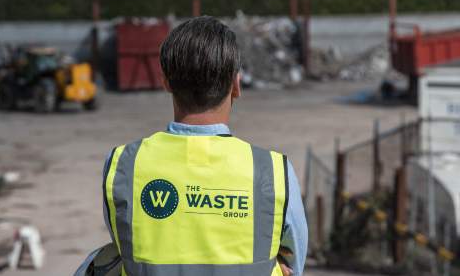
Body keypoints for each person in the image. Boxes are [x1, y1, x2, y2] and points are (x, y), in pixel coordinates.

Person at [77, 16, 307, 276]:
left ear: (167, 83)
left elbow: (126, 244)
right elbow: (294, 264)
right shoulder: (275, 172)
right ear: (236, 85)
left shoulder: (122, 163)